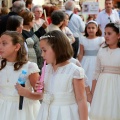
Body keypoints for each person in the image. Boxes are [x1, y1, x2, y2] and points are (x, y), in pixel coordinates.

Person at [35, 30, 88, 120]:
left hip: (66, 114)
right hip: (47, 113)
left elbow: (81, 100)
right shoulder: (46, 69)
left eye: (44, 50)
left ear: (57, 49)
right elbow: (45, 92)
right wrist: (41, 88)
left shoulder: (74, 71)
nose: (42, 54)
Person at [0, 31, 42, 120]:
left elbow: (41, 94)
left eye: (4, 44)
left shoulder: (29, 67)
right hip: (2, 108)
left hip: (24, 110)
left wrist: (28, 94)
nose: (0, 46)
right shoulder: (1, 65)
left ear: (17, 47)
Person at [90, 21, 120, 120]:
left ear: (118, 35)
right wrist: (92, 92)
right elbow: (96, 72)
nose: (106, 36)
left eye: (109, 33)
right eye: (105, 33)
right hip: (102, 87)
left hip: (117, 86)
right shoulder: (102, 50)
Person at [78, 20, 105, 102]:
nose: (91, 30)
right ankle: (86, 94)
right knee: (86, 76)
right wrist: (78, 63)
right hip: (86, 61)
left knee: (94, 76)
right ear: (86, 29)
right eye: (89, 28)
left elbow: (103, 53)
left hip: (96, 61)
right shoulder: (83, 39)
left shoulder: (101, 39)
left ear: (97, 29)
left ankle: (95, 94)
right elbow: (81, 53)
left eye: (93, 28)